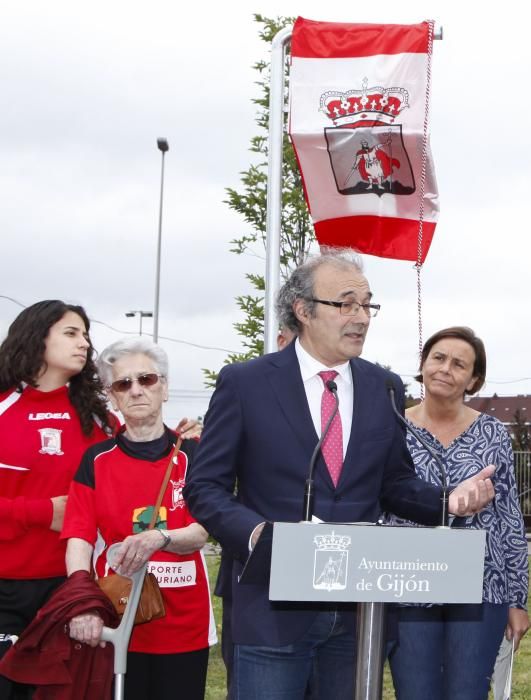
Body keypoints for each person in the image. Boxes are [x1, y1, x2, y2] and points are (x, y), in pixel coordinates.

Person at [183, 248, 496, 700]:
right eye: (345, 303)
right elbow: (205, 486)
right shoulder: (246, 382)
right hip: (271, 608)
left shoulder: (381, 386)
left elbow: (393, 483)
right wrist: (255, 535)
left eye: (367, 304)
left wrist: (446, 501)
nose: (362, 317)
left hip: (357, 615)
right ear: (303, 310)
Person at [62, 337, 216, 700]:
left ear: (164, 387)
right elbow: (79, 539)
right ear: (112, 396)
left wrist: (161, 539)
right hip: (116, 619)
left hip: (184, 624)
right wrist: (82, 601)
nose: (135, 390)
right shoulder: (95, 460)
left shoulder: (196, 455)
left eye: (146, 379)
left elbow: (202, 531)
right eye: (122, 384)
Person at [387, 326, 529, 700]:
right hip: (408, 584)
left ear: (474, 379)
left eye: (459, 364)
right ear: (423, 364)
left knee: (466, 692)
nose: (445, 368)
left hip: (481, 586)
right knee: (415, 692)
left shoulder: (493, 433)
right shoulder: (392, 427)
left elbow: (509, 519)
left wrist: (517, 600)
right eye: (438, 357)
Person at [0, 300, 114, 700]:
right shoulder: (3, 408)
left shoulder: (99, 418)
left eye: (85, 335)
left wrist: (184, 438)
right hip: (6, 589)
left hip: (71, 592)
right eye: (71, 333)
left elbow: (143, 466)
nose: (84, 343)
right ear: (37, 337)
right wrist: (46, 512)